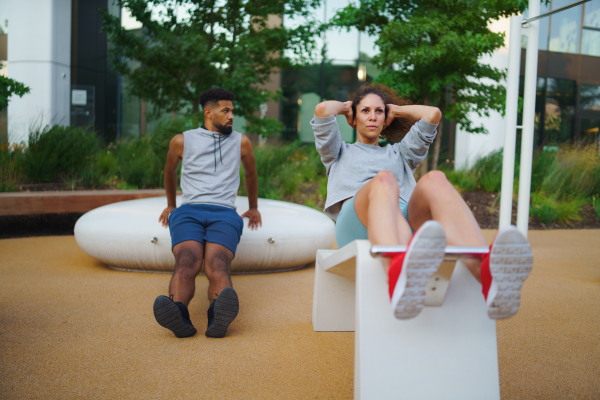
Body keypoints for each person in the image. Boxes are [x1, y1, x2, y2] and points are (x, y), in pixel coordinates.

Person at [312, 83, 533, 320]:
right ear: (353, 118)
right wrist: (348, 107)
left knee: (436, 179)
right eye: (365, 111)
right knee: (384, 179)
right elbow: (324, 109)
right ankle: (397, 276)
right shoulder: (338, 151)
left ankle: (486, 273)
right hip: (356, 223)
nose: (373, 117)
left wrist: (396, 111)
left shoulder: (400, 153)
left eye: (379, 111)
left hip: (402, 221)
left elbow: (433, 115)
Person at [153, 88, 262, 338]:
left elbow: (251, 174)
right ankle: (178, 314)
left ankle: (218, 318)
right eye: (226, 110)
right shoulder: (182, 140)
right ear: (208, 112)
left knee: (217, 262)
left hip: (224, 213)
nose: (231, 115)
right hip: (189, 211)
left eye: (232, 110)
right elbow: (169, 172)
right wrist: (171, 204)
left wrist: (253, 207)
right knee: (187, 259)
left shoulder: (241, 142)